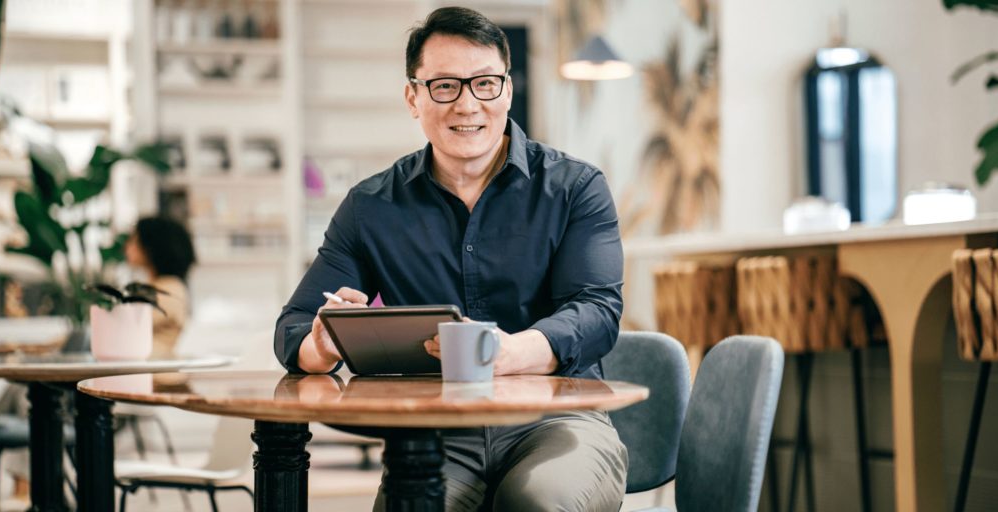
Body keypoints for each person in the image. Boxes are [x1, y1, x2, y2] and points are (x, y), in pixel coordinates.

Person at [274, 7, 626, 511]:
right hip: (434, 434)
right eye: (444, 86)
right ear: (412, 97)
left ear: (506, 90)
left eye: (484, 84)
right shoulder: (371, 207)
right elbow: (294, 326)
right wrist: (322, 346)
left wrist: (512, 354)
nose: (467, 105)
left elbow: (597, 312)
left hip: (560, 420)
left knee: (538, 502)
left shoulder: (575, 188)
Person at [124, 216, 196, 359]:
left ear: (151, 247)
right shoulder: (158, 286)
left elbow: (124, 329)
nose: (127, 246)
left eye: (134, 240)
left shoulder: (169, 290)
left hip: (156, 375)